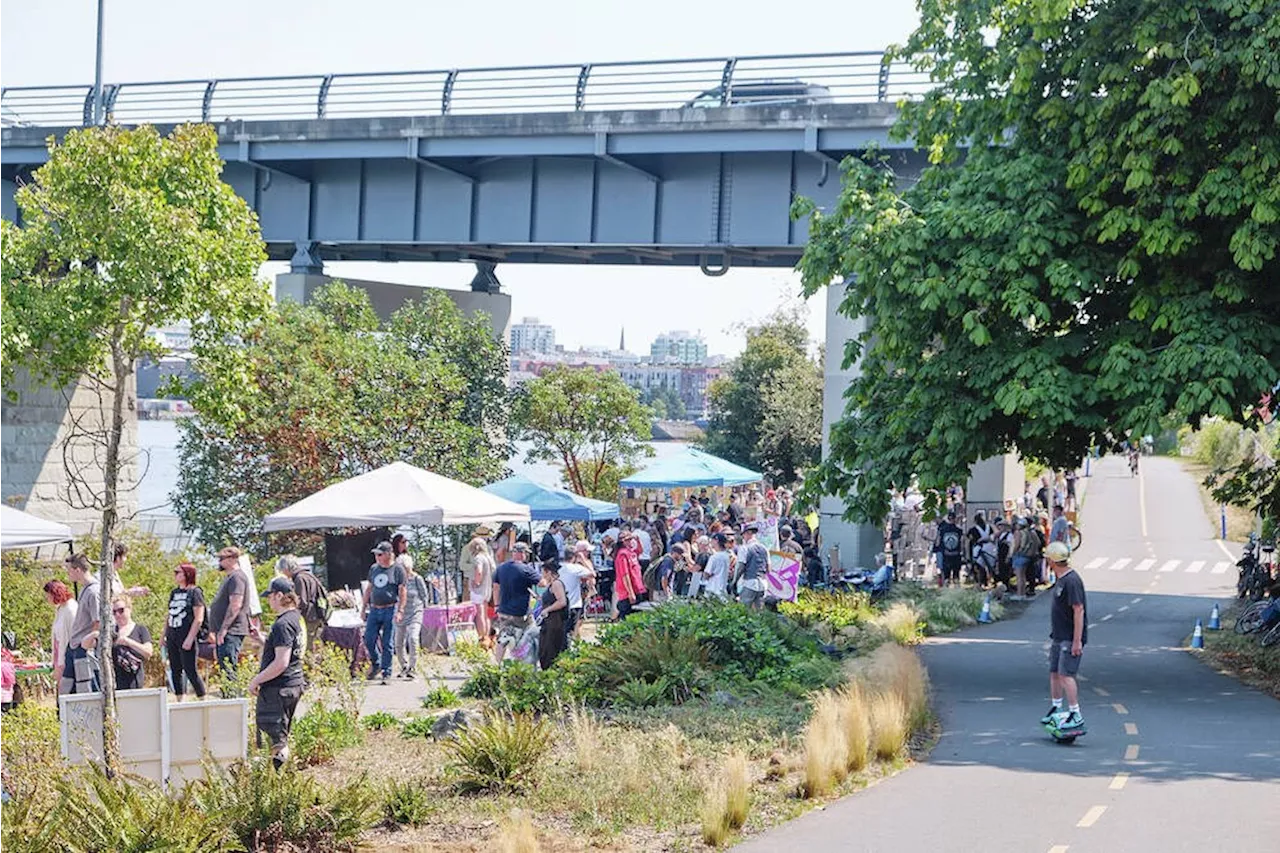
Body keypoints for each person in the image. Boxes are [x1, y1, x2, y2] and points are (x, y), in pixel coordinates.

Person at [247, 576, 307, 769]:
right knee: (282, 736)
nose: (269, 600)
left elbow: (281, 662)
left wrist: (256, 680)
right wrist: (263, 640)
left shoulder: (282, 624)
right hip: (293, 683)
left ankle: (278, 782)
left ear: (280, 595)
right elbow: (288, 648)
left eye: (270, 596)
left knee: (274, 742)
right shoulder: (296, 618)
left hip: (278, 688)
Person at [1040, 542, 1087, 732]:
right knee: (1054, 672)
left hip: (1069, 636)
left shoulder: (1072, 581)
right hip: (1058, 635)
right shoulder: (1060, 579)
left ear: (1052, 560)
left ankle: (1076, 712)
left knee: (1066, 674)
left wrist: (1077, 641)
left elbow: (1078, 609)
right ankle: (1057, 707)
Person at [82, 595, 153, 691]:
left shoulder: (140, 629)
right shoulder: (110, 632)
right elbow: (85, 645)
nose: (117, 615)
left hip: (134, 682)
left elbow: (148, 652)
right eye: (114, 612)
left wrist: (128, 642)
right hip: (114, 685)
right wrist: (94, 634)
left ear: (129, 609)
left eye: (121, 610)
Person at [362, 541, 406, 685]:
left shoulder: (397, 569)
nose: (377, 557)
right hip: (375, 609)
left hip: (390, 608)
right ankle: (376, 663)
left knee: (387, 642)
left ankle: (386, 672)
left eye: (380, 554)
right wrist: (363, 607)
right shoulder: (374, 569)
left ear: (388, 554)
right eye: (376, 554)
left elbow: (402, 590)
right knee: (369, 638)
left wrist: (400, 610)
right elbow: (369, 588)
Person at [165, 562, 207, 701]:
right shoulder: (174, 592)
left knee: (190, 670)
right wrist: (163, 635)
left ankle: (202, 698)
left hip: (186, 635)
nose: (175, 575)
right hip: (173, 634)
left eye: (178, 572)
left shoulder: (195, 592)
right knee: (175, 669)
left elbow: (199, 618)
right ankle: (180, 700)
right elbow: (169, 614)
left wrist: (190, 638)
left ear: (187, 574)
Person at [493, 543, 541, 663]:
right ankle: (528, 660)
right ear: (522, 553)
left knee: (503, 637)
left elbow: (496, 587)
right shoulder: (526, 569)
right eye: (526, 553)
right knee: (532, 633)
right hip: (521, 613)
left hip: (503, 610)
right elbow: (542, 583)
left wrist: (496, 605)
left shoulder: (501, 568)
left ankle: (497, 664)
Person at [209, 546, 251, 684]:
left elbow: (236, 604)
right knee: (224, 668)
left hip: (232, 631)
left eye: (222, 559)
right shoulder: (229, 577)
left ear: (233, 559)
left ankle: (233, 700)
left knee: (228, 669)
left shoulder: (237, 577)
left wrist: (224, 629)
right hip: (225, 632)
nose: (219, 562)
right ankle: (228, 698)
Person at [63, 554, 104, 694]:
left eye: (69, 570)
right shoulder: (84, 589)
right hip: (75, 645)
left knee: (85, 688)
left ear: (78, 570)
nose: (67, 573)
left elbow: (98, 622)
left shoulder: (93, 591)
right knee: (68, 687)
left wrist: (88, 645)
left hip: (83, 647)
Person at [278, 555, 327, 655]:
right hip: (316, 616)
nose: (283, 573)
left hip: (309, 618)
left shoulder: (299, 579)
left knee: (307, 648)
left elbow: (301, 602)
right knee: (315, 646)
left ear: (287, 568)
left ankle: (311, 668)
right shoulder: (307, 575)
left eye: (283, 570)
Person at [394, 546, 429, 680]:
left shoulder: (417, 579)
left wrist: (424, 609)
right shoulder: (397, 580)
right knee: (398, 642)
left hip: (415, 611)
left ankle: (413, 667)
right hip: (400, 613)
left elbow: (424, 595)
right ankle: (404, 665)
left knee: (413, 638)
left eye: (404, 568)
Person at [43, 580, 77, 695]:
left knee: (66, 694)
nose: (47, 598)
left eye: (48, 595)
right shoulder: (60, 609)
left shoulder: (71, 609)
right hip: (59, 659)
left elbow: (73, 638)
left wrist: (62, 664)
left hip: (67, 660)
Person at [465, 531, 497, 647]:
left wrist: (476, 582)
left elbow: (478, 571)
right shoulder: (488, 557)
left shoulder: (478, 558)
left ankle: (481, 638)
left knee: (479, 614)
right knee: (486, 615)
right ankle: (487, 637)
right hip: (487, 589)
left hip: (479, 590)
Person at [537, 561, 569, 669]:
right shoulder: (550, 585)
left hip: (556, 623)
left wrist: (547, 609)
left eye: (543, 572)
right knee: (545, 650)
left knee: (551, 650)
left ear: (548, 572)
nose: (542, 575)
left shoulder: (557, 584)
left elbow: (562, 601)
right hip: (549, 623)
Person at [562, 542, 597, 641]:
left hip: (582, 592)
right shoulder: (576, 566)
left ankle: (576, 637)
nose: (588, 553)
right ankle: (574, 637)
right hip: (577, 595)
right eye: (586, 551)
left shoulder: (585, 562)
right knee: (576, 620)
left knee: (580, 618)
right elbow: (592, 574)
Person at [613, 530, 647, 619]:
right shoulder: (622, 555)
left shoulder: (631, 552)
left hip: (638, 587)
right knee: (627, 615)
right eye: (628, 540)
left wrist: (638, 540)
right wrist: (630, 592)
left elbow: (640, 551)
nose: (631, 541)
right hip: (627, 591)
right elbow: (625, 575)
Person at [737, 523, 770, 610]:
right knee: (758, 611)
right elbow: (768, 569)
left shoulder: (745, 548)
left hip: (749, 582)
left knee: (743, 610)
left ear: (748, 533)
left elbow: (741, 567)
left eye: (743, 535)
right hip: (763, 583)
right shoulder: (764, 548)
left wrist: (735, 581)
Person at [936, 511, 964, 586]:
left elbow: (938, 542)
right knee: (956, 576)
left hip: (946, 554)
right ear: (955, 519)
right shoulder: (959, 530)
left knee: (946, 576)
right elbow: (962, 542)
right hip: (956, 554)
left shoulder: (942, 530)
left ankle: (946, 591)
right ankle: (957, 592)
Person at [703, 533, 731, 599]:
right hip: (722, 589)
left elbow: (706, 574)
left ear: (716, 541)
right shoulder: (727, 556)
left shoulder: (714, 557)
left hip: (713, 589)